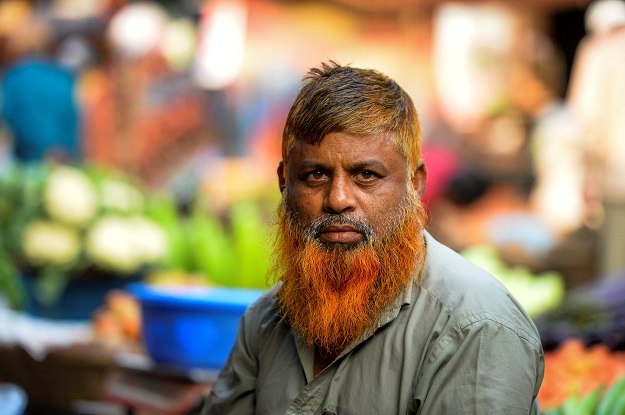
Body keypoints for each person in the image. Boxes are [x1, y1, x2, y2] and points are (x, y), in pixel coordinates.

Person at [201, 61, 544, 415]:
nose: (337, 199)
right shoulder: (265, 320)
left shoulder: (477, 329)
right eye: (315, 174)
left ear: (415, 184)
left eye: (366, 175)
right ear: (284, 182)